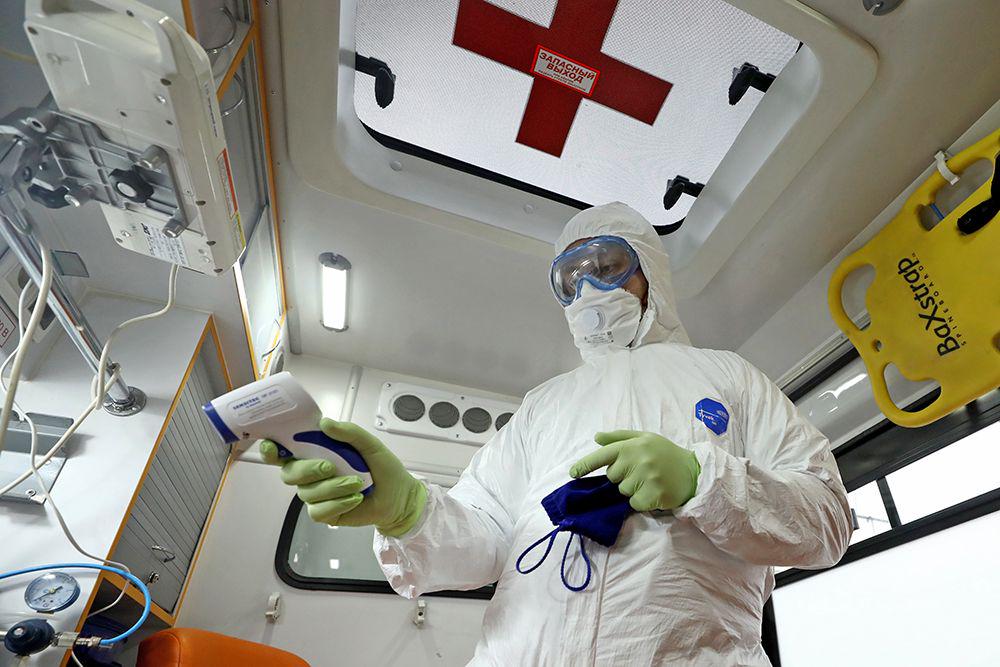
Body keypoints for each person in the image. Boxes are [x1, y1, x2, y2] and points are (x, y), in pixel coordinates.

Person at [261, 202, 852, 665]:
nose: (588, 289)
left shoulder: (730, 378)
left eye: (607, 266)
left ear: (649, 271)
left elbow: (826, 519)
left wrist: (705, 480)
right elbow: (486, 538)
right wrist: (409, 511)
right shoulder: (544, 405)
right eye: (570, 278)